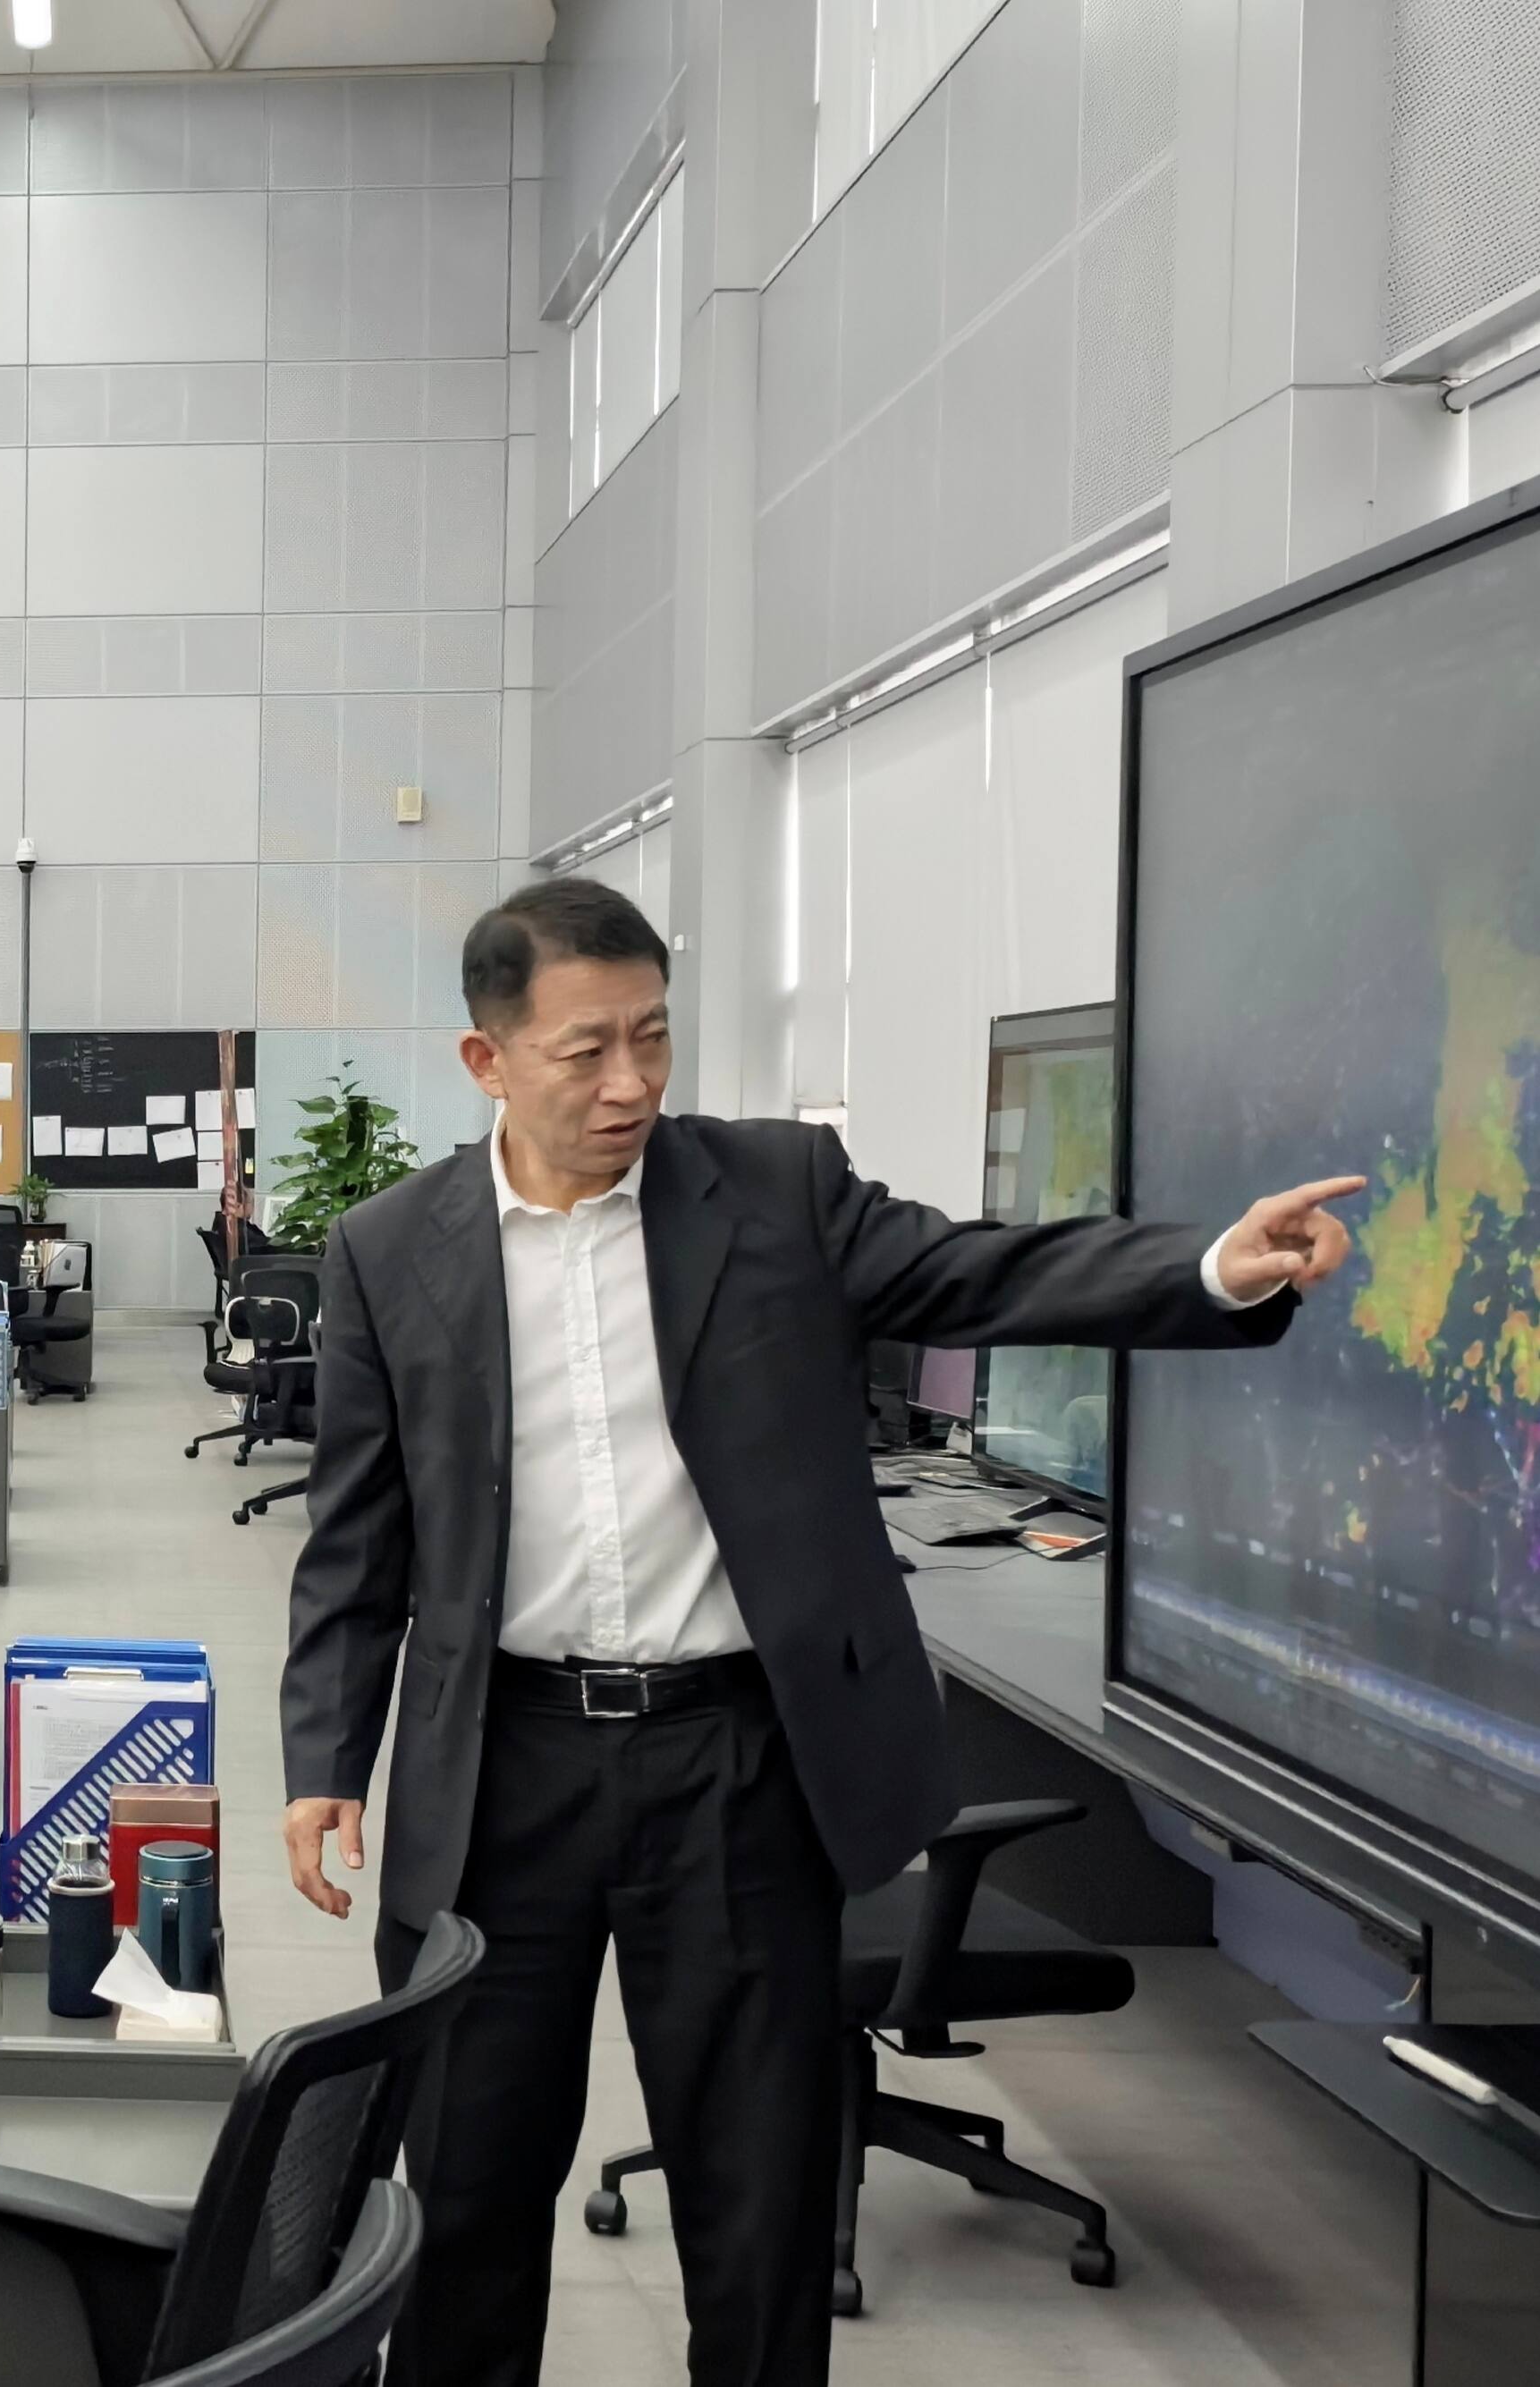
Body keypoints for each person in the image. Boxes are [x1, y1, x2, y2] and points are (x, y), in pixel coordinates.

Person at [278, 876, 1361, 2387]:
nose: (629, 1081)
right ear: (487, 1059)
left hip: (730, 1762)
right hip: (498, 1768)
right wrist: (323, 1759)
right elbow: (356, 1535)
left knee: (758, 2198)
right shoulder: (390, 1248)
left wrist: (1208, 1267)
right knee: (465, 2185)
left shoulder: (774, 1190)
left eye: (651, 1036)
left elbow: (981, 1269)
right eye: (584, 1049)